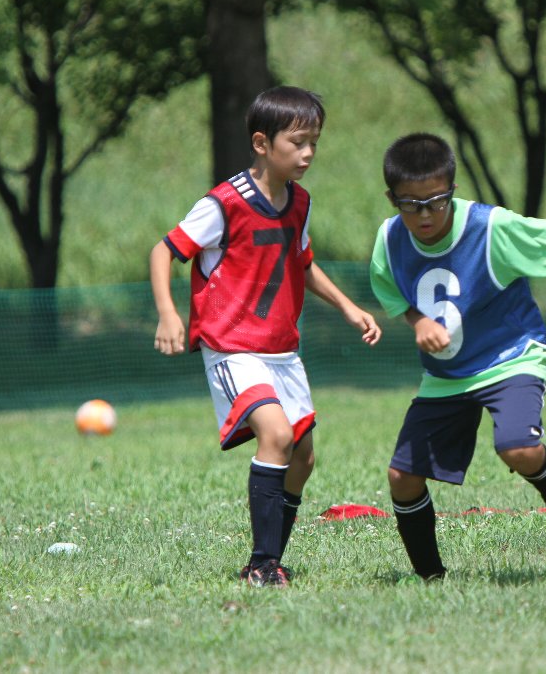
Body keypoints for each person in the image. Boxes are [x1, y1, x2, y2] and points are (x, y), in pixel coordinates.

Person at [149, 86, 382, 587]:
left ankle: (268, 559)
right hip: (232, 346)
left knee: (303, 457)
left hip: (282, 349)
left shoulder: (300, 202)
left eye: (314, 142)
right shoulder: (223, 204)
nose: (308, 153)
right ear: (261, 143)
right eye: (297, 142)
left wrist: (348, 307)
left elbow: (301, 261)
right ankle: (262, 565)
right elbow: (164, 250)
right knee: (276, 436)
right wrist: (168, 314)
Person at [369, 132, 546, 580]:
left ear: (452, 190)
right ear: (392, 198)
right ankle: (431, 578)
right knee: (402, 478)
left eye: (435, 202)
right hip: (447, 375)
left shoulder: (491, 228)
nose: (424, 215)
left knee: (518, 448)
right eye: (410, 205)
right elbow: (388, 287)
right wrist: (418, 321)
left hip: (511, 356)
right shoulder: (390, 238)